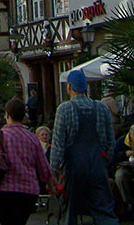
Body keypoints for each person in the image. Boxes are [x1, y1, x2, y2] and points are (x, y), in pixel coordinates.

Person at [50, 69, 119, 225]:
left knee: (70, 212)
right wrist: (105, 162)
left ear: (69, 87)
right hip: (97, 166)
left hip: (73, 169)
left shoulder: (64, 109)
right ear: (86, 87)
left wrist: (53, 171)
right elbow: (111, 141)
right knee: (104, 211)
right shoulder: (101, 108)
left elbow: (58, 145)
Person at [0, 98, 51, 225]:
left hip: (4, 190)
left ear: (7, 114)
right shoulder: (32, 138)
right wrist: (51, 184)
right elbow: (43, 166)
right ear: (23, 116)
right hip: (28, 191)